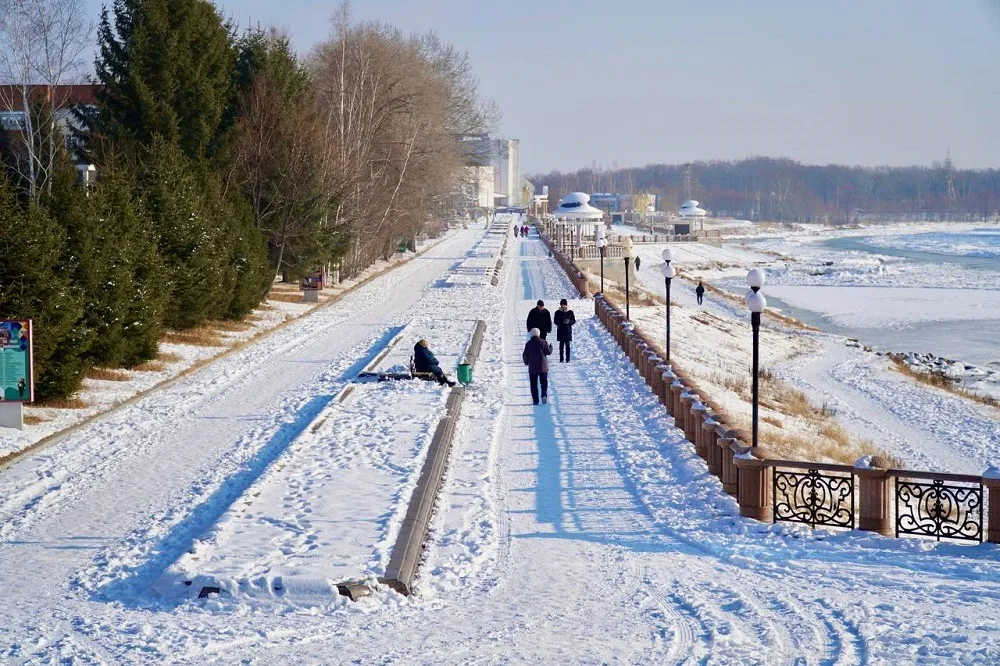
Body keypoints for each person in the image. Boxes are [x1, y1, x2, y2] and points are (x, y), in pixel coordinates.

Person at [522, 328, 553, 405]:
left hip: (533, 367)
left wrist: (526, 362)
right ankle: (543, 395)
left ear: (531, 334)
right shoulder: (543, 342)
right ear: (539, 334)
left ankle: (535, 400)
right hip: (543, 367)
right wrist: (551, 347)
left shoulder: (528, 344)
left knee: (533, 384)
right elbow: (548, 352)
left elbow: (525, 355)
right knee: (544, 382)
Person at [554, 298, 576, 363]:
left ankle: (568, 359)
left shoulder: (570, 312)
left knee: (567, 346)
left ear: (566, 305)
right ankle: (561, 358)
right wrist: (562, 322)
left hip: (568, 331)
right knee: (561, 346)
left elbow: (574, 320)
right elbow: (555, 321)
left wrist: (569, 322)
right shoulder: (557, 312)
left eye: (564, 305)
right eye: (562, 305)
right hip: (560, 331)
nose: (563, 306)